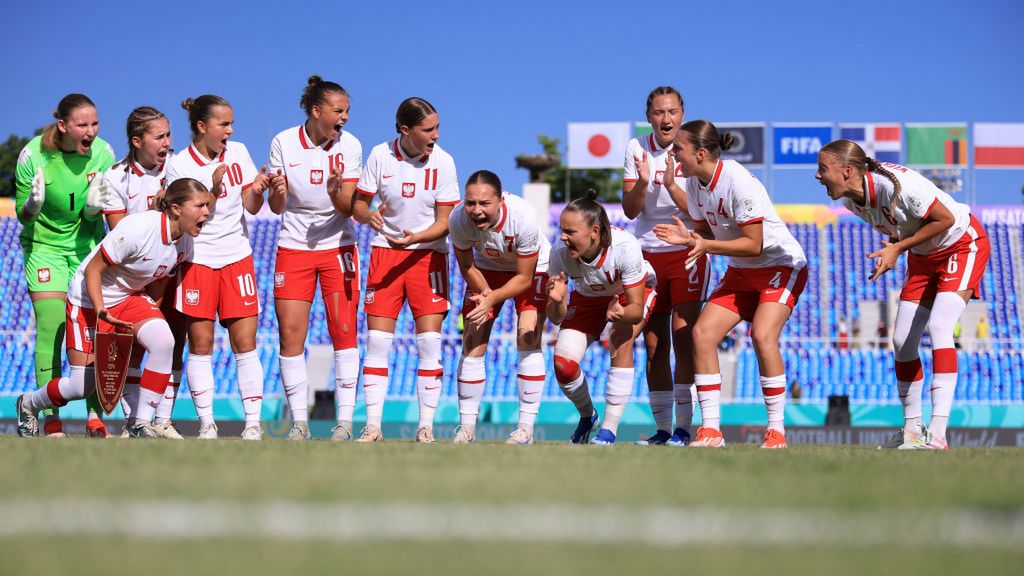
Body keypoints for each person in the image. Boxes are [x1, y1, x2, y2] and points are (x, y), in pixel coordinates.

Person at [816, 139, 990, 450]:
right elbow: (900, 231)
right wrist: (894, 248)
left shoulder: (901, 186)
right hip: (922, 256)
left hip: (962, 244)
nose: (817, 176)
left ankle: (937, 433)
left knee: (940, 327)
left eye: (822, 169)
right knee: (901, 342)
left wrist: (897, 248)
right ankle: (912, 431)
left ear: (846, 171)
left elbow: (946, 220)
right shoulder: (851, 202)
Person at [655, 119, 808, 449]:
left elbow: (754, 244)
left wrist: (703, 244)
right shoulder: (695, 183)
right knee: (701, 334)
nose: (673, 154)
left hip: (780, 265)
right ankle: (710, 431)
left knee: (762, 335)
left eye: (678, 149)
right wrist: (688, 237)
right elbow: (706, 233)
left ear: (700, 152)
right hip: (742, 271)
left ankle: (777, 432)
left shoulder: (737, 179)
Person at [17, 178, 210, 438]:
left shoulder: (185, 244)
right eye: (200, 206)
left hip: (128, 297)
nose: (206, 212)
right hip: (88, 297)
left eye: (207, 206)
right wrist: (100, 311)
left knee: (163, 340)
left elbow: (158, 282)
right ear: (176, 209)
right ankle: (29, 403)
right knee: (81, 386)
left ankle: (140, 422)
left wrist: (151, 319)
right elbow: (93, 270)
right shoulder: (138, 229)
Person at [164, 95, 271, 440]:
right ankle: (207, 424)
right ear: (201, 127)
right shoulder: (179, 165)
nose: (231, 130)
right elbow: (182, 217)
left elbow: (252, 207)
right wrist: (211, 189)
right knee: (201, 344)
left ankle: (253, 424)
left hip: (237, 257)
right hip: (198, 259)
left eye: (231, 123)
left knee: (245, 342)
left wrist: (256, 189)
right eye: (223, 124)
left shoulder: (238, 152)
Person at [352, 97, 459, 443]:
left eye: (437, 127)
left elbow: (446, 223)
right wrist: (368, 215)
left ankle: (425, 427)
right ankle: (372, 427)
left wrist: (415, 239)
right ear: (405, 130)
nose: (436, 135)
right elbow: (358, 204)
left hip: (428, 257)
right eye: (429, 129)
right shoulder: (379, 155)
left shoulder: (444, 163)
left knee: (429, 343)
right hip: (385, 255)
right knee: (378, 343)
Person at [267, 76, 362, 441]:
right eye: (339, 111)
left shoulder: (350, 145)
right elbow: (278, 207)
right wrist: (277, 191)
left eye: (348, 111)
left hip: (339, 247)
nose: (346, 118)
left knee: (344, 333)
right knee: (291, 335)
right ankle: (299, 424)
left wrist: (335, 190)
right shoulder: (283, 142)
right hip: (294, 248)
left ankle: (345, 424)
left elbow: (347, 208)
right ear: (316, 111)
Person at [15, 93, 116, 437]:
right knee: (53, 327)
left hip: (87, 249)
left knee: (91, 328)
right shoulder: (33, 156)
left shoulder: (104, 154)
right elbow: (22, 217)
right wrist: (32, 203)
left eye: (95, 124)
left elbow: (108, 210)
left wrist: (92, 212)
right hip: (44, 248)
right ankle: (50, 418)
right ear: (63, 126)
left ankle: (94, 415)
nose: (92, 132)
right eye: (83, 125)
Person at [621, 86, 707, 447]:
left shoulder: (692, 147)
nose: (666, 119)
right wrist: (643, 181)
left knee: (685, 338)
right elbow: (629, 210)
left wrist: (671, 184)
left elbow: (697, 211)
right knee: (654, 345)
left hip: (685, 248)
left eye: (672, 111)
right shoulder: (636, 147)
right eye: (659, 112)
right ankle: (663, 429)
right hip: (646, 253)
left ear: (682, 113)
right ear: (649, 116)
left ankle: (686, 429)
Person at [102, 106, 187, 439]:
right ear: (137, 141)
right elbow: (118, 232)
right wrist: (155, 213)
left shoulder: (178, 168)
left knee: (175, 341)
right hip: (133, 277)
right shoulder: (115, 177)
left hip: (172, 267)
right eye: (159, 136)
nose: (166, 143)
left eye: (169, 135)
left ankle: (162, 419)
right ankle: (134, 419)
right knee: (133, 345)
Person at [547, 191, 657, 445]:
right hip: (588, 297)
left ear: (594, 232)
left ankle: (608, 429)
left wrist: (620, 313)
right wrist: (555, 301)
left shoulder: (625, 247)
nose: (563, 237)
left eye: (570, 232)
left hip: (628, 295)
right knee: (563, 366)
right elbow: (555, 318)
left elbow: (636, 310)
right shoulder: (559, 254)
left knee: (620, 336)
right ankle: (588, 415)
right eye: (562, 230)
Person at [449, 170, 551, 445]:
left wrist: (492, 299)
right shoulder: (458, 219)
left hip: (530, 268)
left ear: (500, 200)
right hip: (485, 270)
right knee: (472, 335)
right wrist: (485, 297)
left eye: (484, 204)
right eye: (471, 203)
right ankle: (467, 428)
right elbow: (467, 266)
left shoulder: (524, 217)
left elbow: (524, 278)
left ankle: (525, 430)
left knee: (528, 335)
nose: (477, 211)